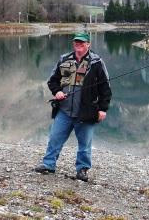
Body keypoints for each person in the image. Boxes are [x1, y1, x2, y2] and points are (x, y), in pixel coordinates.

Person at [35, 32, 112, 181]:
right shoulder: (64, 59)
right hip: (64, 110)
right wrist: (57, 91)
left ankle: (82, 169)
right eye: (76, 42)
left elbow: (106, 89)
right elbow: (53, 81)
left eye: (82, 43)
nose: (79, 45)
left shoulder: (96, 62)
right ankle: (48, 164)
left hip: (86, 112)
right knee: (55, 138)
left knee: (85, 144)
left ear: (88, 44)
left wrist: (103, 109)